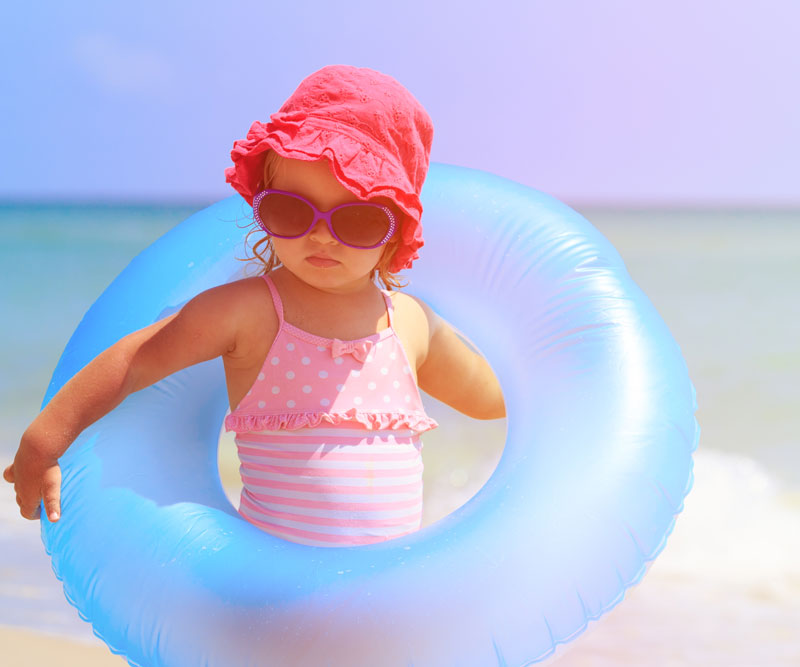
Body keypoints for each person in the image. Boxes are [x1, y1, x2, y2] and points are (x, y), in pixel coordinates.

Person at [3, 65, 505, 546]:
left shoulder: (411, 323)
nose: (322, 235)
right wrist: (44, 439)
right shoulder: (250, 312)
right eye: (292, 210)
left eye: (356, 219)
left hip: (382, 595)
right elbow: (135, 361)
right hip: (271, 591)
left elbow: (493, 399)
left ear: (397, 228)